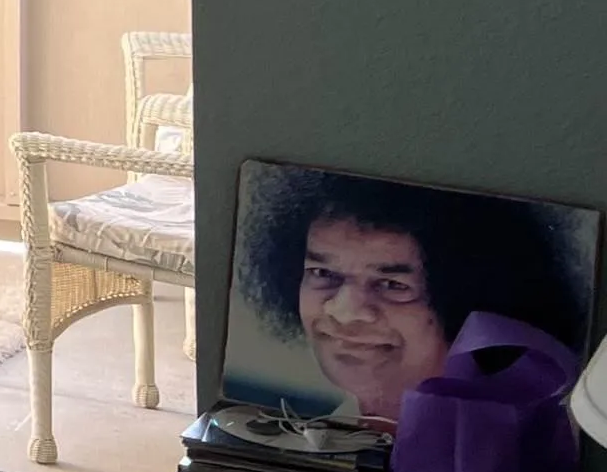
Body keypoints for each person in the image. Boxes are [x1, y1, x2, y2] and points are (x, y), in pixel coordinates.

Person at [233, 168, 591, 430]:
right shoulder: (328, 429)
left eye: (392, 284)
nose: (344, 311)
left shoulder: (513, 452)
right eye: (323, 274)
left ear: (470, 300)